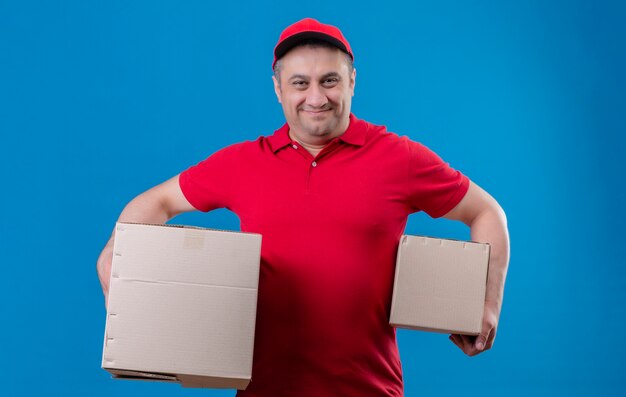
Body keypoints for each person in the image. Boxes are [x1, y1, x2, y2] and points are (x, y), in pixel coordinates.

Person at [97, 18, 510, 397]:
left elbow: (487, 212)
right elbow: (159, 201)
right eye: (300, 83)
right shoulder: (243, 163)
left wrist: (488, 305)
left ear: (352, 81)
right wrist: (117, 256)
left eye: (329, 80)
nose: (316, 97)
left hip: (368, 389)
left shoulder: (399, 159)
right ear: (278, 89)